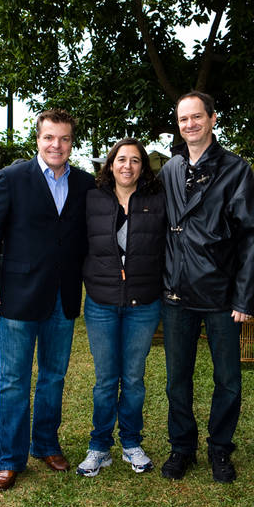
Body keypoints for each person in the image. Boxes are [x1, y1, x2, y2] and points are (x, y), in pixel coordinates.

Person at [0, 108, 95, 491]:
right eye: (49, 138)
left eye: (63, 139)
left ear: (71, 143)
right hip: (19, 296)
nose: (56, 145)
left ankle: (45, 443)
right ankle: (9, 459)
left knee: (53, 377)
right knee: (13, 381)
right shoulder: (12, 178)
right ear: (38, 140)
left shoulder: (86, 184)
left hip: (63, 298)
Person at [159, 91, 254, 484]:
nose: (190, 124)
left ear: (213, 119)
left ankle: (220, 448)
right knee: (176, 379)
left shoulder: (236, 169)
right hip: (176, 292)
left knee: (228, 380)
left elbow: (252, 235)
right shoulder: (170, 169)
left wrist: (244, 296)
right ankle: (181, 448)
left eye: (196, 117)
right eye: (183, 119)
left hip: (221, 294)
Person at [76, 138, 166, 478]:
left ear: (143, 167)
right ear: (110, 164)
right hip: (101, 303)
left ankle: (131, 442)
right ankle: (99, 447)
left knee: (133, 379)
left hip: (143, 303)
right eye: (121, 159)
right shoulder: (93, 198)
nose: (127, 166)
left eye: (135, 160)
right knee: (104, 381)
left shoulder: (158, 200)